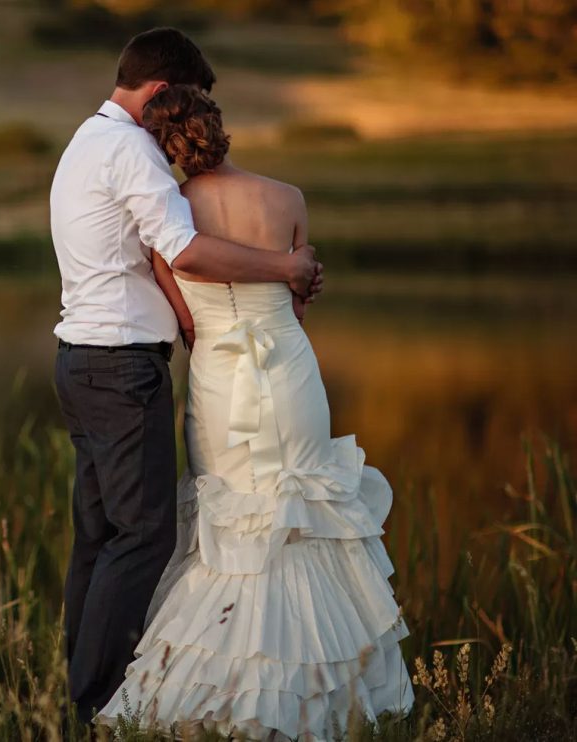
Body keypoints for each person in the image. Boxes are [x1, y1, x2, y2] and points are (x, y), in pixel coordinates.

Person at [93, 84, 415, 739]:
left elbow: (184, 323)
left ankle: (216, 695)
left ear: (164, 145)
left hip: (219, 377)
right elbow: (298, 301)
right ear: (219, 128)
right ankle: (317, 701)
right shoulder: (289, 198)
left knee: (231, 521)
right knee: (299, 518)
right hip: (292, 372)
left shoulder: (168, 214)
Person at [49, 27, 323, 724]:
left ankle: (81, 697)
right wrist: (285, 269)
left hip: (80, 360)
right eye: (189, 98)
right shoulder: (132, 151)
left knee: (100, 536)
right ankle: (100, 704)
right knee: (144, 537)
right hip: (118, 368)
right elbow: (185, 250)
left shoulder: (86, 141)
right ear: (164, 92)